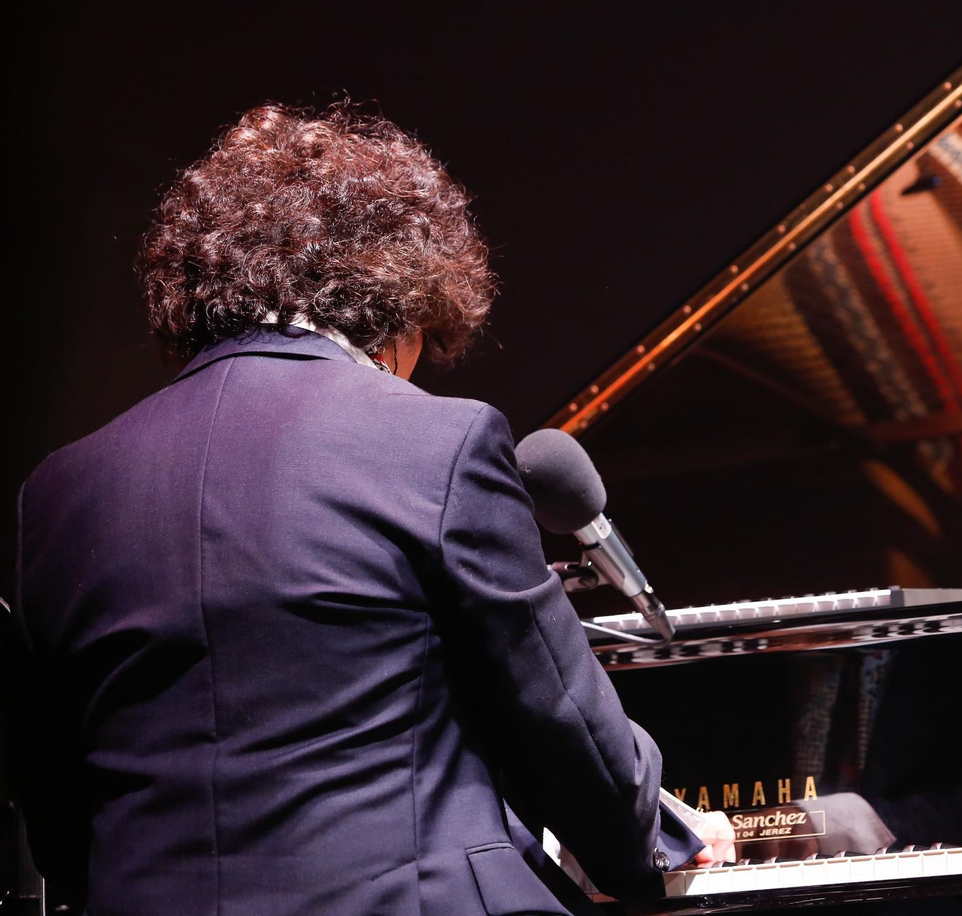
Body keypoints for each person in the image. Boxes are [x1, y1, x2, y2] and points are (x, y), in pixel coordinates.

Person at [6, 103, 733, 916]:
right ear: (397, 303)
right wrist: (654, 837)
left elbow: (58, 812)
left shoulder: (60, 491)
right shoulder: (435, 442)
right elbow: (568, 735)